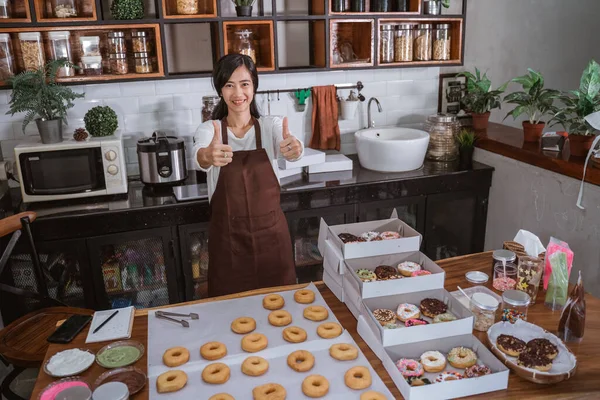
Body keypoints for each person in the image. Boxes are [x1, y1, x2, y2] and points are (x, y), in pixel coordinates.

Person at [193, 54, 304, 297]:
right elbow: (199, 155)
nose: (237, 93)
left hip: (273, 245)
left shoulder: (269, 126)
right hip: (228, 246)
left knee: (281, 311)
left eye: (244, 84)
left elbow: (290, 144)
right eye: (229, 85)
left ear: (254, 87)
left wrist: (294, 148)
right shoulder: (210, 130)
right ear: (220, 90)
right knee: (230, 313)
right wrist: (208, 155)